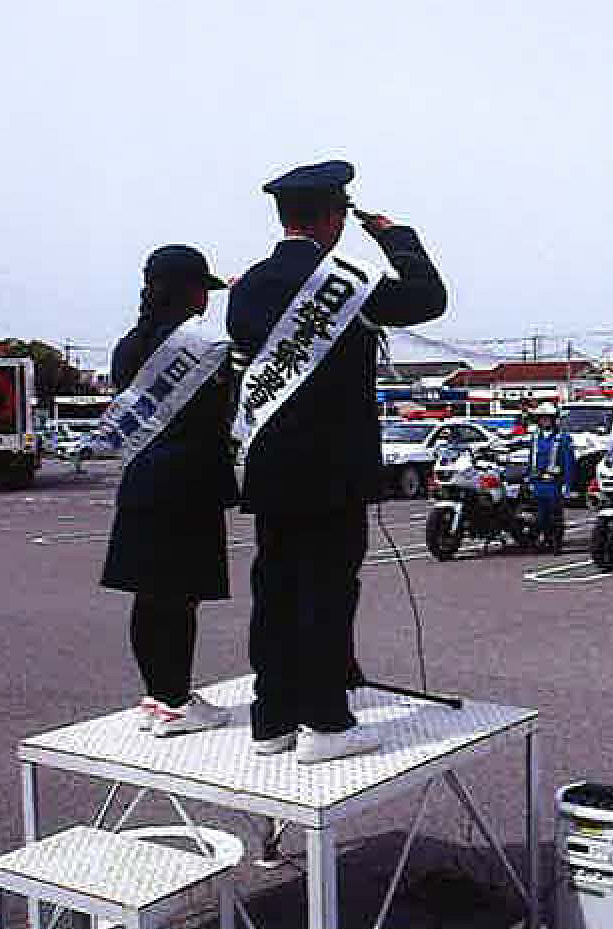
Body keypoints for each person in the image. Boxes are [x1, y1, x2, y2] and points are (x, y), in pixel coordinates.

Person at [228, 160, 446, 763]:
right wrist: (394, 236)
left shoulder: (247, 285)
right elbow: (430, 298)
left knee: (274, 587)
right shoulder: (347, 281)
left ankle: (272, 718)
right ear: (333, 217)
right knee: (326, 590)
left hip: (270, 466)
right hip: (332, 468)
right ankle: (325, 723)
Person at [100, 245, 237, 737]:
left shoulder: (126, 345)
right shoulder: (201, 347)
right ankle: (177, 701)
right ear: (190, 291)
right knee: (180, 598)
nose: (207, 298)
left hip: (141, 479)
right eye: (204, 287)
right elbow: (218, 415)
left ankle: (157, 695)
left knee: (149, 595)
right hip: (189, 485)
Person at [526, 402, 575, 551]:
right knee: (540, 516)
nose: (545, 421)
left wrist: (567, 484)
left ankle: (556, 543)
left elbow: (568, 462)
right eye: (542, 418)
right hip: (539, 483)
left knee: (556, 516)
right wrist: (530, 479)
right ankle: (545, 539)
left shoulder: (563, 438)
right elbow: (531, 460)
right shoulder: (535, 438)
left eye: (548, 418)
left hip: (555, 483)